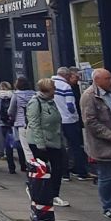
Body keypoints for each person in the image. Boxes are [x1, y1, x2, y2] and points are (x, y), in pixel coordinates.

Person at [81, 69, 111, 220]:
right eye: (107, 79)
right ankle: (107, 206)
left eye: (110, 78)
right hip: (103, 145)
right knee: (107, 176)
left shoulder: (110, 93)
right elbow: (91, 123)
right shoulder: (89, 96)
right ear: (97, 80)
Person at [27, 78, 69, 207]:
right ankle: (36, 190)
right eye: (53, 88)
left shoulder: (51, 102)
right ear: (47, 89)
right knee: (44, 170)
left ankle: (54, 195)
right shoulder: (35, 102)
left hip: (54, 141)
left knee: (57, 168)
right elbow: (34, 124)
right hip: (40, 142)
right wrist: (40, 144)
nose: (55, 91)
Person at [54, 68, 89, 180]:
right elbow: (70, 106)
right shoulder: (66, 87)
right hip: (69, 120)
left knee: (62, 147)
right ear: (66, 76)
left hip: (57, 120)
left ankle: (64, 173)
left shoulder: (51, 84)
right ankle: (81, 172)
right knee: (76, 146)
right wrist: (75, 116)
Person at [7, 77, 35, 173]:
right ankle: (38, 167)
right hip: (33, 123)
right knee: (34, 147)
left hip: (21, 123)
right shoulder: (34, 94)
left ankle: (31, 168)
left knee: (26, 148)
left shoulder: (16, 95)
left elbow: (11, 111)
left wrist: (12, 117)